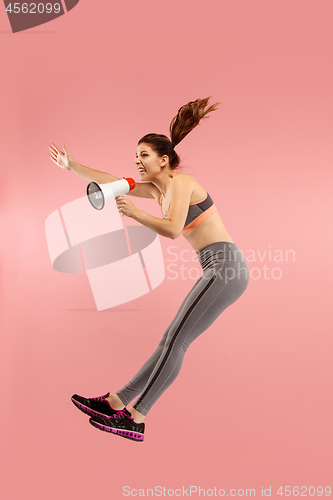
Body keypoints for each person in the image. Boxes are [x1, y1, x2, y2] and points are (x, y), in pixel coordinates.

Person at [49, 97, 249, 442]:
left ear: (164, 159)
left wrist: (134, 213)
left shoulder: (182, 185)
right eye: (135, 156)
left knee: (177, 341)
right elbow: (112, 181)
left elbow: (172, 230)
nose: (137, 162)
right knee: (169, 340)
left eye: (143, 155)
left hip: (226, 267)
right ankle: (116, 402)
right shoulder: (158, 192)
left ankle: (137, 417)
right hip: (215, 268)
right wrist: (72, 166)